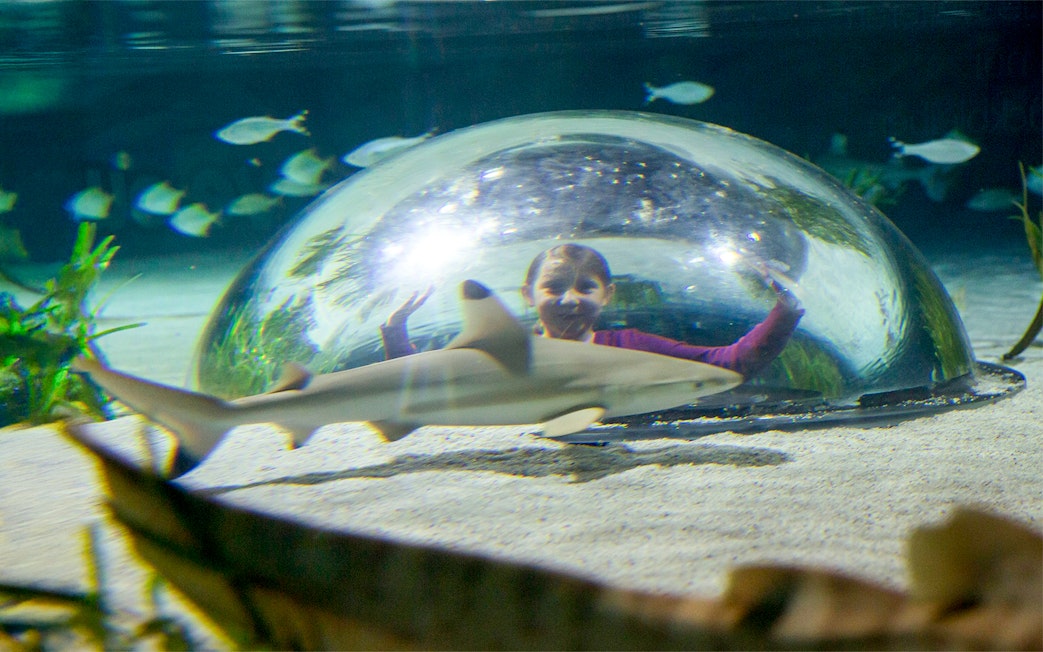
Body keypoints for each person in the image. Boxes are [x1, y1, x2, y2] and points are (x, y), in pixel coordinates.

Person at [381, 243, 804, 380]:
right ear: (528, 295)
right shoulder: (504, 352)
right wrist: (394, 331)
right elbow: (419, 387)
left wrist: (786, 310)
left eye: (585, 288)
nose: (568, 300)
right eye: (553, 288)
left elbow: (727, 362)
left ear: (608, 295)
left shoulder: (631, 347)